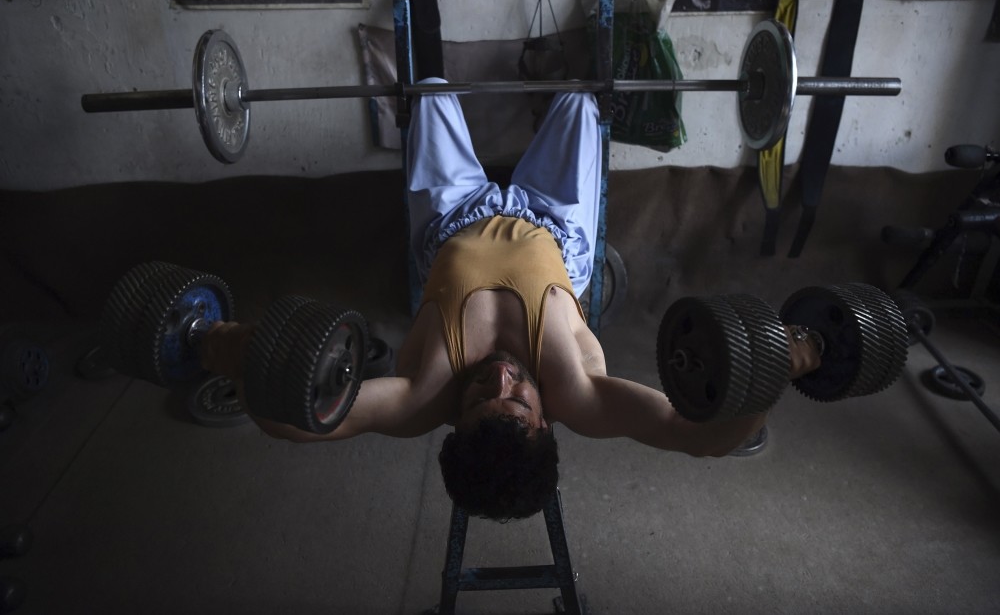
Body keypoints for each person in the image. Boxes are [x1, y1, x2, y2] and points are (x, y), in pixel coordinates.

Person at [199, 80, 822, 522]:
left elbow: (297, 425)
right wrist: (775, 374)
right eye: (518, 400)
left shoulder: (421, 398)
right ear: (545, 422)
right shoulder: (577, 391)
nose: (501, 377)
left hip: (453, 221)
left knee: (431, 89)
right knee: (580, 96)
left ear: (453, 421)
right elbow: (696, 436)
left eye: (478, 398)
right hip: (555, 230)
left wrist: (225, 348)